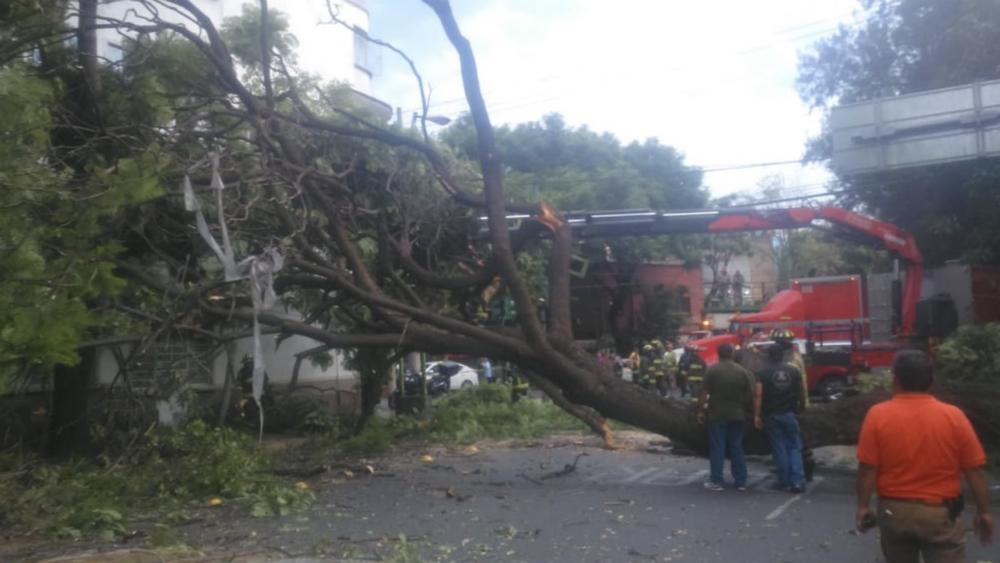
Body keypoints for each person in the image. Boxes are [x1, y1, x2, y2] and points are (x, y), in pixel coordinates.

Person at [856, 350, 993, 562]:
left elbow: (867, 469)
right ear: (932, 383)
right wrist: (984, 511)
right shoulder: (953, 416)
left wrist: (863, 506)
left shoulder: (877, 414)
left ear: (895, 381)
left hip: (895, 513)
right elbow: (974, 469)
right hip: (939, 514)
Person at [697, 343, 754, 491]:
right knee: (737, 447)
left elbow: (704, 392)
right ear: (732, 354)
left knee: (718, 447)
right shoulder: (743, 372)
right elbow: (751, 394)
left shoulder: (713, 370)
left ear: (718, 354)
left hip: (717, 414)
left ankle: (717, 480)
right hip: (738, 414)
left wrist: (701, 411)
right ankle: (741, 481)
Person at [754, 345, 806, 494]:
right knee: (795, 447)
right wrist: (800, 409)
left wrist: (757, 415)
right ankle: (798, 481)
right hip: (789, 413)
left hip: (771, 415)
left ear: (769, 357)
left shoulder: (763, 374)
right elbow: (801, 392)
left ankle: (783, 481)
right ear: (783, 356)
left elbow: (758, 395)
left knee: (779, 448)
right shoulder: (794, 371)